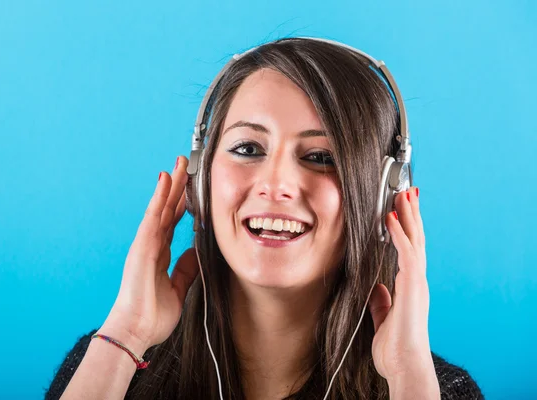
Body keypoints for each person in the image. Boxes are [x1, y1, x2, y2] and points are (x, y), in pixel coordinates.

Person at [44, 38, 484, 399]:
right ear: (199, 182)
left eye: (320, 157)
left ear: (382, 197)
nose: (276, 185)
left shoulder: (433, 389)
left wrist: (409, 377)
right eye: (248, 149)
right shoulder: (109, 365)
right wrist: (127, 333)